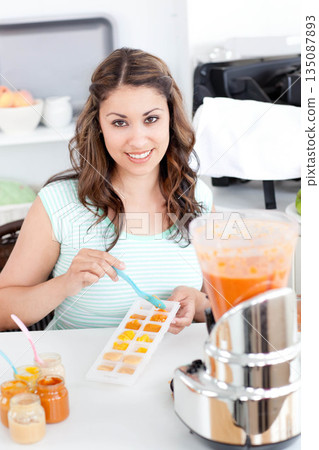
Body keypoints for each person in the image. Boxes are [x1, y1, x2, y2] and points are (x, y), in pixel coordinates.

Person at [0, 48, 213, 332]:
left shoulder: (198, 197)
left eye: (151, 119)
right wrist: (65, 284)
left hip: (171, 368)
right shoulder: (58, 202)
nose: (138, 140)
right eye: (119, 122)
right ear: (99, 125)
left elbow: (219, 305)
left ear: (171, 120)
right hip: (78, 371)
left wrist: (198, 304)